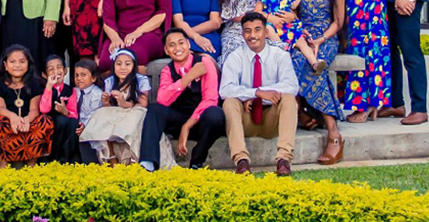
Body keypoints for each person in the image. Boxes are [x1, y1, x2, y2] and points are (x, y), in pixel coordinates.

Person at [220, 13, 299, 176]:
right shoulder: (235, 57)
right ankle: (241, 161)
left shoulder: (279, 56)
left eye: (257, 30)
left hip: (271, 119)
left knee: (289, 99)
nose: (252, 35)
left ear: (265, 32)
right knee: (229, 102)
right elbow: (225, 89)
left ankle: (283, 159)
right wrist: (256, 93)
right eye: (247, 31)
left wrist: (265, 93)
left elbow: (292, 86)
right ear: (242, 34)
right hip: (246, 119)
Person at [140, 28, 227, 172]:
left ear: (188, 44)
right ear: (166, 50)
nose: (177, 48)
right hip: (179, 118)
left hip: (200, 121)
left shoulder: (204, 62)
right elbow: (162, 99)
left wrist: (186, 127)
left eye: (181, 43)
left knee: (215, 114)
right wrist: (187, 78)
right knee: (155, 109)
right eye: (172, 45)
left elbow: (210, 99)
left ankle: (196, 162)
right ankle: (148, 162)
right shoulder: (168, 70)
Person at [293, 0, 347, 165]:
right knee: (294, 60)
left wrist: (321, 39)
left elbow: (339, 21)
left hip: (326, 37)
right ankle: (301, 113)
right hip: (303, 36)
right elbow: (292, 11)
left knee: (318, 67)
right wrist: (302, 33)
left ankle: (333, 133)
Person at [80, 48, 172, 166]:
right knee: (100, 115)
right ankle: (111, 156)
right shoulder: (110, 81)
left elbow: (143, 103)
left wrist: (124, 103)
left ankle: (134, 158)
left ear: (134, 66)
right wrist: (106, 101)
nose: (123, 67)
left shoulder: (140, 80)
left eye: (127, 64)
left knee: (134, 120)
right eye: (119, 64)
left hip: (135, 110)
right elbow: (109, 106)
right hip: (117, 112)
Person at [0, 44, 53, 167]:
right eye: (12, 62)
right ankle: (6, 158)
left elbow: (34, 109)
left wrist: (26, 121)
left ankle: (31, 159)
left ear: (28, 64)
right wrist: (13, 117)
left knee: (46, 121)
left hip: (28, 125)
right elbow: (0, 108)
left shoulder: (35, 83)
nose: (17, 65)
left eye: (22, 61)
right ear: (5, 65)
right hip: (10, 124)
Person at [254, 0, 318, 69]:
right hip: (274, 26)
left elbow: (292, 5)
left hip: (287, 26)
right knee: (268, 28)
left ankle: (315, 63)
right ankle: (282, 47)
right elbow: (257, 12)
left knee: (301, 41)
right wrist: (269, 17)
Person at [60, 59, 104, 163]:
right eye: (76, 75)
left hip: (90, 125)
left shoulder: (97, 94)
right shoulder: (74, 91)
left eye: (83, 75)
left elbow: (94, 113)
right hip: (77, 125)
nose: (79, 78)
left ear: (93, 78)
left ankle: (89, 163)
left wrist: (84, 125)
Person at [38, 54, 77, 163]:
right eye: (51, 69)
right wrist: (49, 87)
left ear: (65, 71)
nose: (56, 71)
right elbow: (44, 109)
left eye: (59, 67)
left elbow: (73, 113)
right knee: (60, 121)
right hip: (48, 123)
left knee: (72, 122)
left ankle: (67, 158)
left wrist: (65, 111)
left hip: (64, 122)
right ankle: (52, 158)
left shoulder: (71, 90)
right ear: (44, 75)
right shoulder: (43, 89)